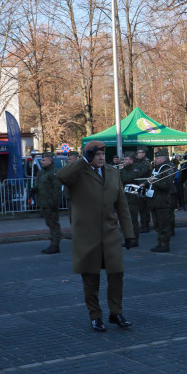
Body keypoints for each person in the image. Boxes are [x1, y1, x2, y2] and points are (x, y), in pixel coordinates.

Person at [56, 140, 136, 332]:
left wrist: (129, 233)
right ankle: (95, 316)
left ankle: (116, 312)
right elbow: (61, 176)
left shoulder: (113, 172)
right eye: (96, 155)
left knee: (116, 273)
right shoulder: (77, 174)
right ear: (89, 156)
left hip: (110, 233)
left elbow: (122, 206)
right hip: (87, 235)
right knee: (91, 278)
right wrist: (84, 160)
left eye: (102, 154)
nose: (101, 158)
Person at [31, 152, 64, 254]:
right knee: (49, 224)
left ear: (50, 161)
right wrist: (34, 190)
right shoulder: (42, 172)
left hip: (50, 203)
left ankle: (55, 245)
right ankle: (53, 243)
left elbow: (57, 189)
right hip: (44, 203)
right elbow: (40, 185)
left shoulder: (54, 172)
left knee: (54, 224)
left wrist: (55, 203)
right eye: (42, 160)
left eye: (44, 160)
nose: (42, 162)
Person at [146, 149, 176, 252]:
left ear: (164, 158)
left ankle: (165, 244)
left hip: (163, 201)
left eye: (158, 158)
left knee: (163, 224)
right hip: (155, 200)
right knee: (157, 224)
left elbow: (166, 185)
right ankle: (160, 242)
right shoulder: (156, 168)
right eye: (155, 158)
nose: (156, 160)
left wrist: (154, 181)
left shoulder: (167, 168)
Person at [135, 149, 152, 233]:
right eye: (137, 152)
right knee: (140, 207)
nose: (138, 154)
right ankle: (143, 224)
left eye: (140, 152)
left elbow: (140, 173)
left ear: (144, 154)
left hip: (144, 186)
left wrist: (134, 170)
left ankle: (146, 225)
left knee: (145, 208)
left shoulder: (146, 163)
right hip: (138, 186)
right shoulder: (137, 162)